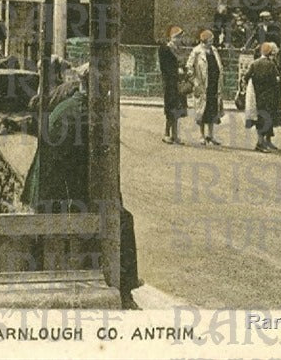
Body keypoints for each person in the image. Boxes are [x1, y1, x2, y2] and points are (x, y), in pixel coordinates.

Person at [20, 63, 142, 309]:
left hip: (43, 190)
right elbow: (97, 169)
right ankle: (124, 290)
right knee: (122, 219)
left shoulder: (69, 103)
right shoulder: (88, 114)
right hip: (60, 195)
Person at [243, 42, 281, 152]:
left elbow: (246, 77)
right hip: (269, 96)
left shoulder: (254, 63)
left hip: (257, 95)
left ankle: (259, 142)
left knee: (259, 119)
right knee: (266, 119)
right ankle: (261, 143)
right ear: (270, 53)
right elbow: (277, 80)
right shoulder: (271, 65)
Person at [187, 29, 224, 146]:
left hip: (213, 84)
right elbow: (189, 68)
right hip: (202, 85)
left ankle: (210, 135)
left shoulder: (214, 50)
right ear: (204, 40)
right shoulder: (197, 51)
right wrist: (195, 82)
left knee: (212, 109)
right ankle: (201, 135)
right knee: (201, 110)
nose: (212, 42)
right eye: (210, 40)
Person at [158, 25, 187, 145]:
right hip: (170, 82)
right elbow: (165, 67)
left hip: (178, 82)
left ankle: (175, 135)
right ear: (172, 37)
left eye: (180, 37)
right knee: (170, 108)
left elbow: (182, 63)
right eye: (177, 37)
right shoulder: (165, 49)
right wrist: (176, 71)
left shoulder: (179, 49)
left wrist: (184, 70)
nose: (179, 39)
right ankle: (166, 134)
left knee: (177, 109)